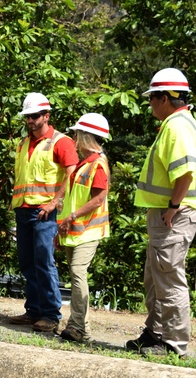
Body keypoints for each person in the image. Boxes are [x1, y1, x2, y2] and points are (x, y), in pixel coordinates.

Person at [125, 68, 196, 358]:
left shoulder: (178, 127)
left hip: (174, 215)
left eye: (152, 98)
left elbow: (185, 174)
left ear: (166, 98)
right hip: (166, 214)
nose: (150, 104)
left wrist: (172, 208)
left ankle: (174, 345)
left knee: (169, 279)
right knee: (155, 277)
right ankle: (155, 334)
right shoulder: (177, 123)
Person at [7, 92, 78, 333]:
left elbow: (72, 175)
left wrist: (55, 202)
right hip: (24, 209)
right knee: (28, 262)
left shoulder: (61, 142)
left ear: (46, 116)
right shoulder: (23, 143)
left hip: (45, 212)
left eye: (35, 116)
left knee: (44, 262)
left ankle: (50, 314)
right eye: (28, 116)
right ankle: (34, 310)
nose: (30, 120)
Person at [56, 114, 111, 343]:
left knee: (78, 274)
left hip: (88, 230)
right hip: (75, 229)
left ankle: (77, 326)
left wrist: (73, 216)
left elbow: (98, 199)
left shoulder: (97, 164)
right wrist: (64, 223)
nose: (74, 138)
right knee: (76, 274)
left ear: (85, 137)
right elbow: (72, 198)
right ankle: (81, 328)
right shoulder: (83, 164)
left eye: (77, 134)